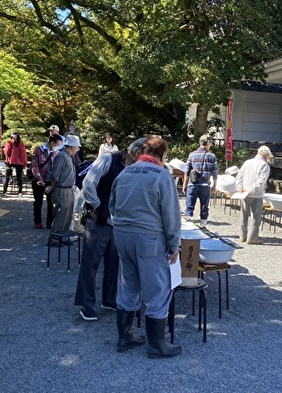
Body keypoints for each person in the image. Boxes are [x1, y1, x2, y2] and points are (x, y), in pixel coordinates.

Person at [110, 137, 182, 358]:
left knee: (128, 283)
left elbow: (112, 205)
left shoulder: (124, 173)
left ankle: (125, 336)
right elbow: (171, 215)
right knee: (157, 289)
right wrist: (174, 245)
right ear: (162, 154)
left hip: (122, 235)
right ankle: (156, 344)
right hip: (149, 238)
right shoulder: (161, 176)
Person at [75, 137, 147, 322]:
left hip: (120, 223)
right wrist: (99, 208)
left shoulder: (137, 168)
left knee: (115, 264)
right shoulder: (109, 159)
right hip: (98, 219)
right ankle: (87, 304)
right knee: (91, 264)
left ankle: (109, 299)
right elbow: (88, 184)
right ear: (138, 153)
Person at [235, 145, 273, 245]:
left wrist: (240, 188)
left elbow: (239, 176)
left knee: (243, 215)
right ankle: (252, 237)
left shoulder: (247, 162)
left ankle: (242, 235)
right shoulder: (264, 165)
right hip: (256, 194)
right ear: (266, 155)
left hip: (243, 193)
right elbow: (261, 181)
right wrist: (250, 190)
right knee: (256, 217)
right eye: (269, 156)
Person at [44, 135, 80, 235]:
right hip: (61, 189)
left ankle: (62, 237)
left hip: (68, 189)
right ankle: (55, 237)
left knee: (67, 217)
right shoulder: (62, 156)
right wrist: (52, 187)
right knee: (60, 216)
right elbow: (55, 174)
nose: (77, 149)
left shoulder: (68, 156)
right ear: (72, 147)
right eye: (77, 147)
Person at [183, 134, 219, 227]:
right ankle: (203, 226)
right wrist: (215, 185)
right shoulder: (212, 156)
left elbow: (187, 171)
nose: (211, 145)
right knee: (204, 207)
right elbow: (215, 172)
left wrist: (184, 185)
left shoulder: (192, 155)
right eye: (211, 143)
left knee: (189, 207)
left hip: (192, 184)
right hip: (205, 185)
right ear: (208, 143)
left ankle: (187, 228)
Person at [30, 134, 62, 229]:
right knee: (38, 201)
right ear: (52, 142)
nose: (58, 146)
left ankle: (50, 223)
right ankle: (37, 221)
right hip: (39, 180)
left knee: (51, 202)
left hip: (50, 180)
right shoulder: (38, 150)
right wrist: (39, 179)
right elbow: (34, 165)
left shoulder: (56, 152)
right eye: (57, 144)